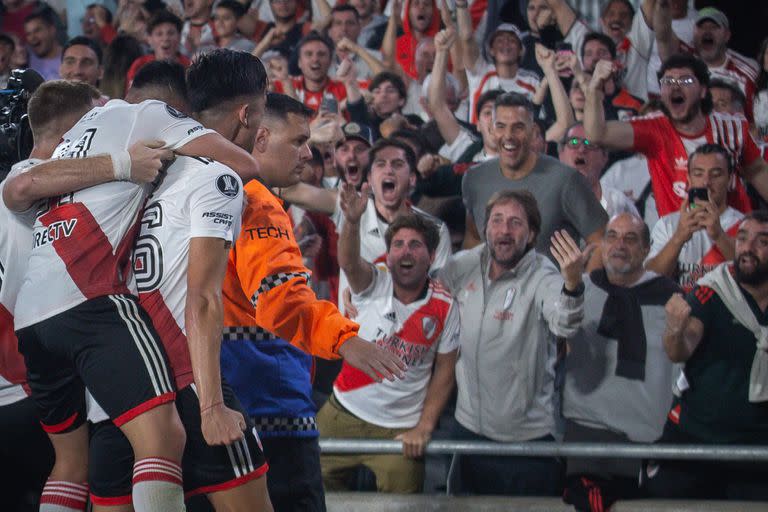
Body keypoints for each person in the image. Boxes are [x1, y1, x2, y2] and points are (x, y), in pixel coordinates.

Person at [8, 62, 260, 512]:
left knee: (70, 466)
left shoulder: (56, 160)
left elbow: (21, 187)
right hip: (110, 319)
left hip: (44, 334)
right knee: (164, 440)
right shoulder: (166, 138)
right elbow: (243, 166)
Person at [81, 51, 273, 512]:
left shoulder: (143, 174)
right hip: (184, 375)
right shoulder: (218, 176)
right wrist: (211, 405)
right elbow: (203, 297)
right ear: (246, 113)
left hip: (116, 388)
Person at [220, 92, 406, 512]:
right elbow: (282, 302)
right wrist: (346, 341)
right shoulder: (258, 203)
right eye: (299, 141)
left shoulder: (206, 189)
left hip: (219, 402)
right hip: (269, 405)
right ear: (261, 138)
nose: (307, 154)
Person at [0, 79, 168, 512]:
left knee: (72, 466)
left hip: (30, 347)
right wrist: (125, 162)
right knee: (160, 439)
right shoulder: (34, 183)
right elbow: (24, 183)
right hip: (68, 334)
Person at [438, 189, 588, 495]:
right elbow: (427, 303)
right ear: (485, 228)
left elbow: (565, 321)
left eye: (516, 223)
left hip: (527, 440)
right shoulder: (460, 266)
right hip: (468, 431)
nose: (504, 231)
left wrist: (572, 285)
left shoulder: (544, 275)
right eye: (497, 220)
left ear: (531, 234)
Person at [319, 193, 459, 493]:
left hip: (400, 429)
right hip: (343, 411)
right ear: (389, 252)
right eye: (398, 244)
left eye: (415, 245)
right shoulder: (374, 280)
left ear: (432, 257)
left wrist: (424, 427)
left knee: (404, 505)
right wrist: (353, 222)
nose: (405, 252)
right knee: (313, 492)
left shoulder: (446, 306)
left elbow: (445, 372)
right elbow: (349, 262)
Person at [561, 213, 679, 512]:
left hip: (644, 438)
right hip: (585, 430)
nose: (619, 245)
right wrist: (571, 286)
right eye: (612, 236)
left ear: (647, 248)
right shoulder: (577, 289)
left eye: (630, 238)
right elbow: (558, 334)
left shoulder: (672, 299)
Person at [649, 210, 768, 500]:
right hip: (695, 442)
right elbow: (680, 349)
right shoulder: (713, 290)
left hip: (757, 450)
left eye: (762, 241)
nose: (747, 248)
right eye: (741, 238)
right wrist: (675, 330)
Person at [280, 137, 453, 315]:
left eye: (397, 164)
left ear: (412, 179)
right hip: (353, 335)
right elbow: (286, 190)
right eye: (380, 164)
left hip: (407, 336)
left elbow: (440, 299)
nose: (389, 170)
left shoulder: (435, 230)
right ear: (369, 178)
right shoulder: (349, 204)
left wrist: (372, 292)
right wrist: (311, 138)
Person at [584, 53, 768, 219]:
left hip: (731, 239)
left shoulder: (731, 127)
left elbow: (758, 171)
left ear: (704, 90)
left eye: (686, 81)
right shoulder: (653, 130)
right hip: (680, 242)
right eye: (668, 82)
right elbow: (596, 134)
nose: (675, 86)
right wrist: (594, 89)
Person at [462, 92, 606, 263]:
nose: (508, 135)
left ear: (533, 131)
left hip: (551, 288)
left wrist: (578, 286)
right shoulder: (474, 179)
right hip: (492, 287)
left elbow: (601, 241)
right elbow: (473, 239)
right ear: (492, 130)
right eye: (501, 126)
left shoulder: (566, 180)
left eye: (518, 127)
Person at [647, 143, 743, 292]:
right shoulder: (667, 224)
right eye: (698, 174)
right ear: (689, 179)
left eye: (716, 174)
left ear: (730, 179)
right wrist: (678, 238)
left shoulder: (744, 224)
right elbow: (649, 280)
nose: (706, 182)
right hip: (677, 311)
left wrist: (719, 236)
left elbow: (753, 277)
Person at [655, 5, 758, 122]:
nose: (707, 31)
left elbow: (756, 121)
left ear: (727, 35)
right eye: (701, 27)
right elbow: (663, 34)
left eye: (714, 27)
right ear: (693, 33)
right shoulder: (682, 57)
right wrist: (662, 3)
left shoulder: (747, 71)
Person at [456, 18, 540, 124]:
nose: (506, 44)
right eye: (500, 40)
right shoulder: (480, 72)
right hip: (480, 138)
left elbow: (538, 120)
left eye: (512, 40)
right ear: (491, 50)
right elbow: (467, 39)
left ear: (520, 50)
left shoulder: (532, 82)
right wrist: (461, 5)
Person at [558, 122, 638, 218]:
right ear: (561, 154)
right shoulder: (546, 198)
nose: (582, 149)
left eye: (590, 143)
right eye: (574, 142)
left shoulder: (619, 203)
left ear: (604, 157)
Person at [273, 31, 347, 113]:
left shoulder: (344, 87)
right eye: (309, 54)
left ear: (330, 61)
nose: (315, 59)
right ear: (299, 62)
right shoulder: (282, 84)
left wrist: (357, 49)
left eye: (321, 54)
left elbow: (363, 96)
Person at [125, 10, 190, 88]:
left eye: (171, 33)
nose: (165, 38)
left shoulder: (189, 67)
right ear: (149, 39)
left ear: (179, 37)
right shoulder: (139, 66)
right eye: (159, 34)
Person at [24, 5, 62, 80]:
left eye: (37, 30)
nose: (32, 37)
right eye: (28, 34)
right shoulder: (25, 55)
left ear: (52, 30)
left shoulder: (68, 57)